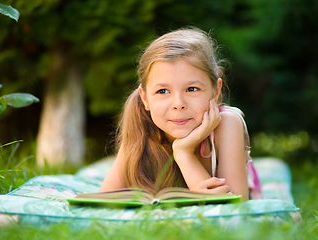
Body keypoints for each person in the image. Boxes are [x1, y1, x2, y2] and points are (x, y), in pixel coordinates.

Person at [99, 27, 261, 201]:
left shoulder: (227, 123)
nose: (178, 104)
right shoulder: (140, 124)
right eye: (162, 91)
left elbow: (235, 205)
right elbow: (102, 199)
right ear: (145, 98)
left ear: (215, 92)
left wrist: (183, 153)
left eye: (192, 89)